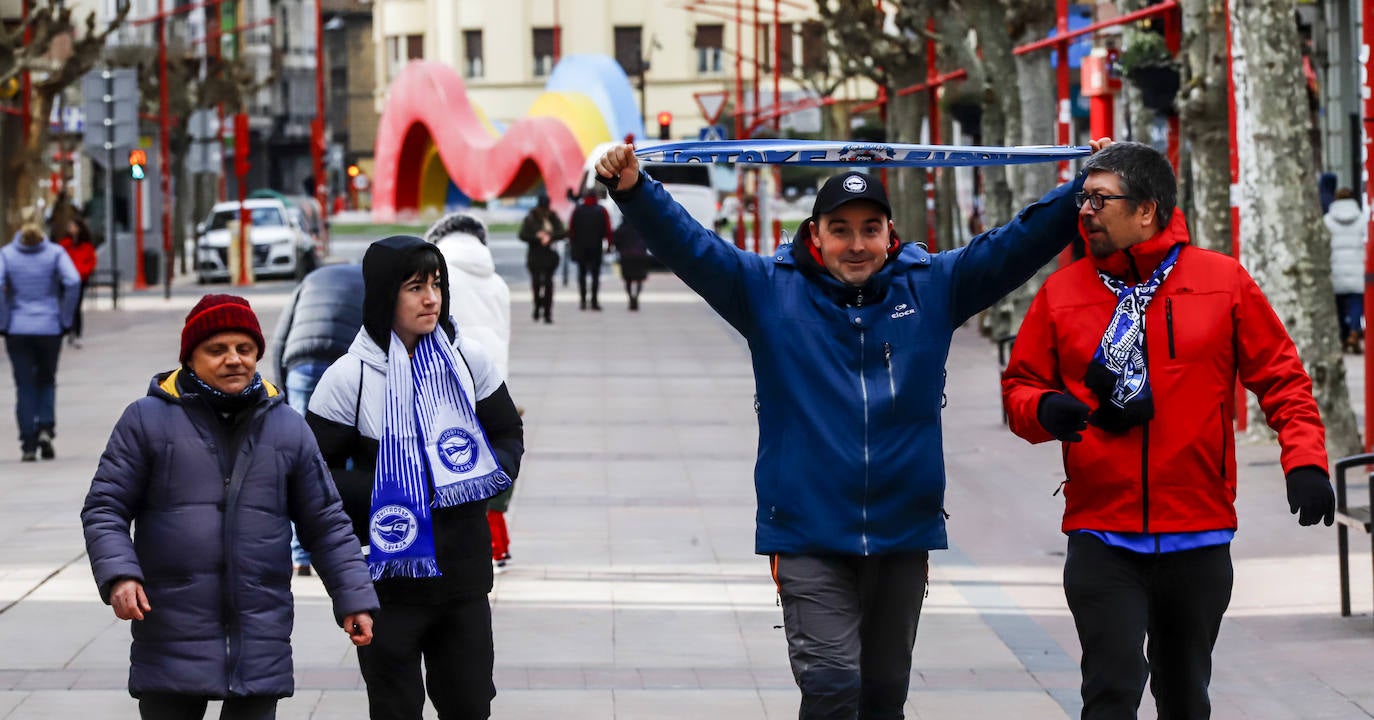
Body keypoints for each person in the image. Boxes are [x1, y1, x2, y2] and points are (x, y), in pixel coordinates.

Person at [594, 138, 1112, 718]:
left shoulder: (933, 288)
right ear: (814, 234)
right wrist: (634, 189)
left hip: (902, 532)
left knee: (883, 696)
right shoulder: (768, 293)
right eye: (840, 229)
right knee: (833, 684)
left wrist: (1084, 186)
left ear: (890, 233)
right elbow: (692, 248)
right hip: (807, 534)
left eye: (870, 228)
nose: (856, 244)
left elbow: (1015, 246)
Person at [1001, 142, 1334, 720]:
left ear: (1147, 209)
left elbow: (1283, 380)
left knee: (1184, 697)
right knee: (1111, 689)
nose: (1085, 211)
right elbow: (1018, 392)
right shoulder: (1062, 292)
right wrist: (1047, 409)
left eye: (1100, 199)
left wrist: (1305, 461)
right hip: (1101, 532)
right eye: (1083, 198)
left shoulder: (1222, 281)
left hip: (1198, 533)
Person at [80, 293, 378, 720]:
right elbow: (105, 507)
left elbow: (326, 522)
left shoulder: (287, 426)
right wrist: (120, 575)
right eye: (216, 350)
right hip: (170, 632)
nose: (234, 359)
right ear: (190, 358)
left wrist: (354, 598)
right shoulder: (145, 420)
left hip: (259, 636)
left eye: (244, 348)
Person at [305, 235, 524, 719]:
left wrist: (485, 478)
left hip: (463, 580)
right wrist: (398, 493)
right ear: (386, 293)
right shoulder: (350, 377)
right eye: (415, 287)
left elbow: (507, 431)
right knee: (395, 708)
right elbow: (310, 477)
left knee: (469, 705)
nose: (431, 299)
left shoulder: (469, 360)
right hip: (386, 585)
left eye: (437, 284)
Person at [423, 213, 517, 569]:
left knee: (447, 464)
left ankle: (458, 547)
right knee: (482, 461)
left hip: (447, 384)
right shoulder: (497, 283)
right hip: (492, 380)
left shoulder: (436, 282)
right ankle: (493, 544)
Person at [269, 262, 367, 577]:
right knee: (347, 454)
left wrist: (283, 390)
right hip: (346, 365)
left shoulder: (311, 279)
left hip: (301, 363)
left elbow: (281, 337)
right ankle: (345, 546)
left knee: (302, 459)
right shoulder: (374, 284)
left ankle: (300, 555)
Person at [0, 223, 81, 461]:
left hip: (18, 328)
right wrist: (65, 318)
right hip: (48, 328)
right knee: (46, 380)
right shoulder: (55, 253)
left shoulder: (7, 254)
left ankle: (27, 442)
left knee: (24, 385)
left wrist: (3, 320)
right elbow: (73, 281)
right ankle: (45, 427)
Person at [1325, 187, 1366, 354]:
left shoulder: (1327, 220)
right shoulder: (1362, 219)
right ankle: (1354, 331)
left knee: (1339, 306)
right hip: (1357, 266)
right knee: (1357, 302)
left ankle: (1343, 336)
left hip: (1336, 268)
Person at [518, 193, 566, 324]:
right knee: (536, 284)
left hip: (549, 255)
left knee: (548, 284)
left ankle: (547, 312)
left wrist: (550, 237)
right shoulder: (531, 218)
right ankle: (538, 306)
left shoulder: (553, 217)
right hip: (535, 255)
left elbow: (562, 233)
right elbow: (522, 235)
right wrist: (537, 237)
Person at [55, 217, 97, 349]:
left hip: (80, 279)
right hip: (64, 280)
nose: (71, 229)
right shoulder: (64, 244)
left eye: (73, 226)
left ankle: (76, 333)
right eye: (70, 226)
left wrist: (83, 272)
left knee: (76, 307)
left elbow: (91, 261)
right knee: (64, 305)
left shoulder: (86, 245)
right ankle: (67, 331)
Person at [568, 190, 613, 311]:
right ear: (596, 197)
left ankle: (583, 300)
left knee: (582, 274)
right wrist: (609, 245)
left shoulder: (577, 210)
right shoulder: (602, 211)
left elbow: (571, 230)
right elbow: (608, 230)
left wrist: (572, 244)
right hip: (596, 247)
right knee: (595, 275)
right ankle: (594, 301)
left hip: (580, 247)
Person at [613, 217, 650, 311]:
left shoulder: (621, 228)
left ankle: (630, 298)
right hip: (640, 256)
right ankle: (636, 297)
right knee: (639, 279)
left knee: (628, 279)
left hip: (626, 256)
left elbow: (616, 242)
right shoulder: (641, 227)